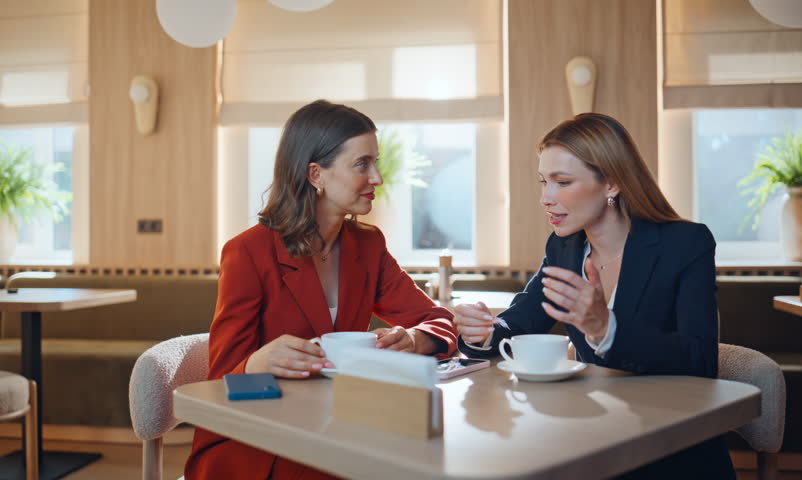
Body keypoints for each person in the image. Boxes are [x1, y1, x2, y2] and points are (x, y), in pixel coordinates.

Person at [185, 100, 458, 480]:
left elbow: (438, 320)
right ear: (316, 174)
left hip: (341, 422)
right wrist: (256, 363)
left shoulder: (368, 245)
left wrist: (416, 340)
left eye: (374, 162)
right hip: (260, 439)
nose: (377, 177)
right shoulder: (248, 252)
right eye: (362, 164)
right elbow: (219, 384)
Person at [454, 113, 734, 479]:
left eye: (562, 182)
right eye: (543, 182)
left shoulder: (685, 244)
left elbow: (699, 363)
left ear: (611, 184)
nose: (545, 198)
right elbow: (520, 320)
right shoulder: (565, 247)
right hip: (592, 433)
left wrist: (606, 328)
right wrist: (485, 332)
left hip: (669, 446)